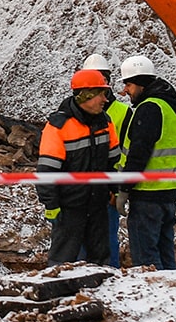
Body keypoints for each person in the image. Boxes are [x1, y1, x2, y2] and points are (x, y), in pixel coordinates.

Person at [37, 68, 119, 266]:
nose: (105, 100)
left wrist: (114, 190)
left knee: (100, 260)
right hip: (69, 208)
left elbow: (113, 162)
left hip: (98, 205)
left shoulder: (105, 123)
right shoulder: (59, 126)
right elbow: (47, 171)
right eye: (101, 94)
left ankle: (99, 296)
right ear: (85, 95)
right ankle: (59, 294)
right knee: (63, 261)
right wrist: (51, 205)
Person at [116, 55, 176, 269]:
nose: (126, 90)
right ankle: (173, 297)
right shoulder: (170, 107)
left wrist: (125, 187)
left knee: (147, 259)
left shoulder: (150, 108)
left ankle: (153, 299)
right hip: (169, 190)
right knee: (165, 253)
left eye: (128, 84)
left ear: (141, 83)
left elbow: (139, 152)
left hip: (148, 193)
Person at [83, 52, 131, 268]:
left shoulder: (122, 112)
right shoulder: (79, 113)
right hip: (83, 189)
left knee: (108, 240)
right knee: (82, 243)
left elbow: (128, 153)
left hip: (108, 189)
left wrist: (119, 190)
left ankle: (111, 280)